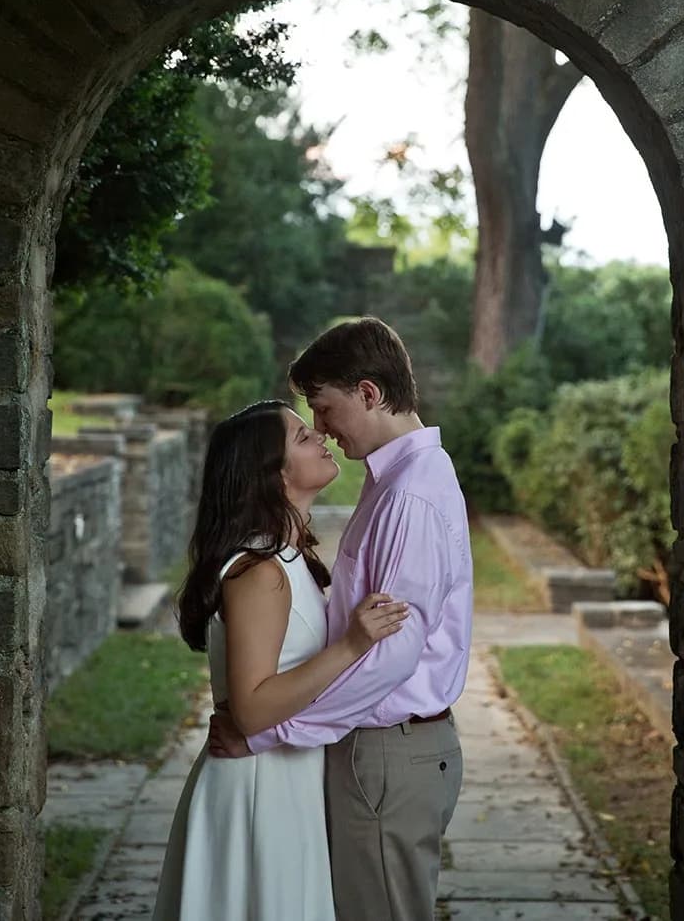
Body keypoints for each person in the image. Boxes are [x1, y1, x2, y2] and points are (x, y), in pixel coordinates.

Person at [210, 318, 473, 921]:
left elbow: (390, 654)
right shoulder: (398, 482)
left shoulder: (408, 494)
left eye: (323, 409)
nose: (322, 429)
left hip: (386, 755)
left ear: (369, 393)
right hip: (379, 751)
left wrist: (271, 732)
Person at [151, 399, 409, 921]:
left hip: (285, 781)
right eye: (300, 436)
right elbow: (250, 710)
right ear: (272, 475)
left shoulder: (289, 561)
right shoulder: (259, 571)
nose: (319, 435)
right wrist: (351, 646)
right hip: (256, 789)